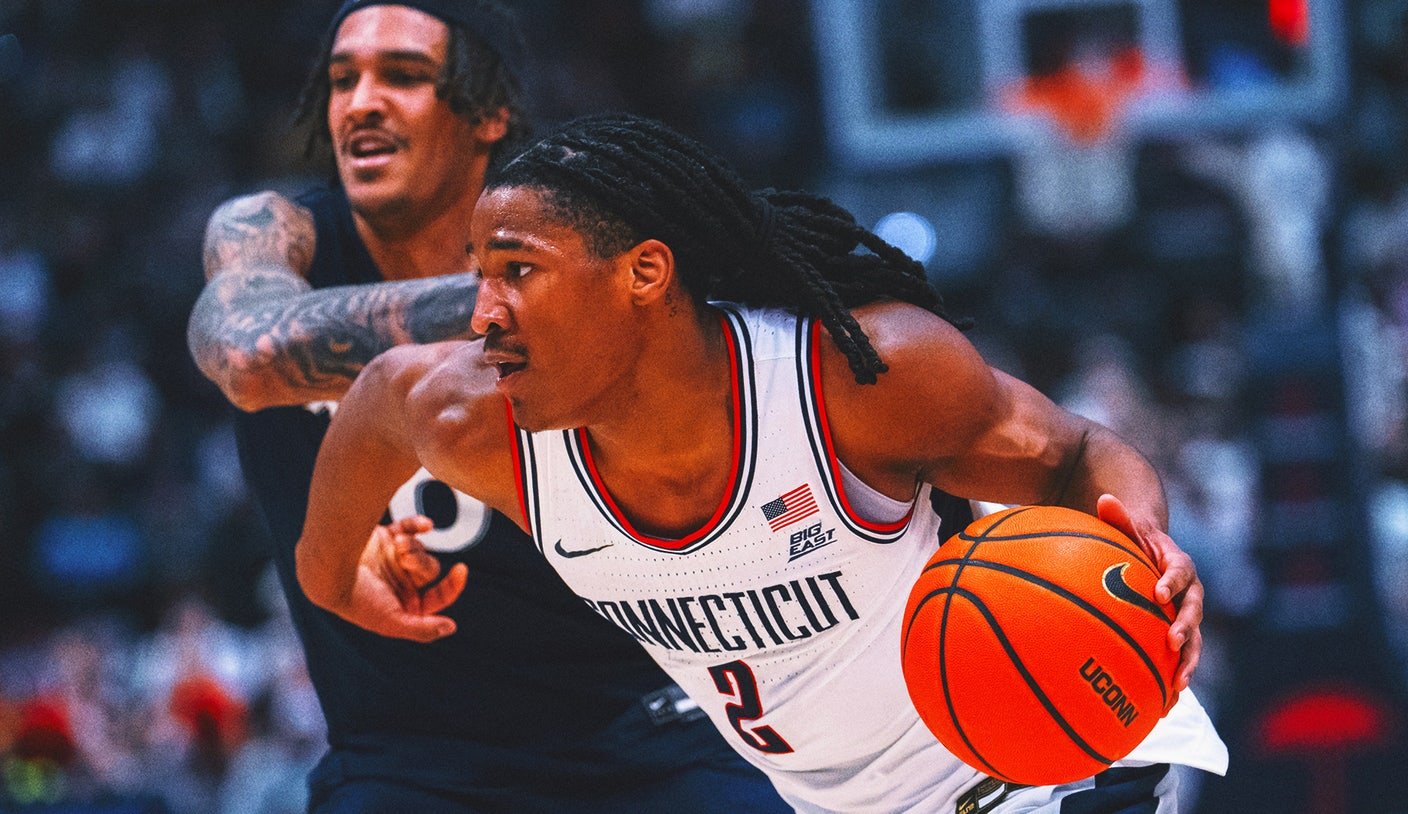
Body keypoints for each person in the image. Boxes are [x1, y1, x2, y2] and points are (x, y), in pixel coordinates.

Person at [294, 113, 1229, 812]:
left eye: (518, 272)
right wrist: (332, 579)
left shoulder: (854, 378)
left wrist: (1145, 544)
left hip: (1051, 755)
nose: (481, 313)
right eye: (479, 276)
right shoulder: (476, 421)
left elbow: (1076, 455)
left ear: (644, 273)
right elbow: (377, 402)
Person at [187, 4, 788, 812]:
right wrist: (531, 300)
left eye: (403, 75)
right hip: (406, 759)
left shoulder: (573, 235)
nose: (361, 101)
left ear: (489, 113)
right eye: (342, 79)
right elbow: (247, 357)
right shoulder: (270, 233)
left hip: (648, 722)